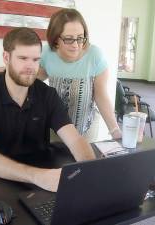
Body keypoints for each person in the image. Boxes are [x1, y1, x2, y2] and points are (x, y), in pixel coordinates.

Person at [0, 27, 95, 193]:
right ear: (6, 57)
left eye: (35, 60)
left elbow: (75, 140)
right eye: (23, 58)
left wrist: (90, 172)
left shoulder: (47, 94)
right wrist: (37, 177)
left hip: (39, 179)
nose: (30, 66)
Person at [38, 8, 122, 142]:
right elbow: (33, 77)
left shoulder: (95, 56)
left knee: (84, 162)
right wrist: (9, 71)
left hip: (85, 129)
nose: (76, 45)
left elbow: (101, 95)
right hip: (55, 128)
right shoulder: (47, 53)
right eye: (69, 39)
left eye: (80, 38)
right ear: (55, 40)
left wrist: (114, 130)